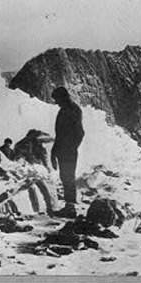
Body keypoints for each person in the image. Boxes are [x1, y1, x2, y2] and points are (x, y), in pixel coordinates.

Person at [50, 87, 85, 218]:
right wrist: (54, 152)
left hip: (68, 152)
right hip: (63, 151)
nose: (56, 102)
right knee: (65, 177)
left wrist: (71, 148)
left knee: (68, 177)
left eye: (57, 99)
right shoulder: (65, 110)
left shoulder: (73, 110)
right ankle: (69, 207)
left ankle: (70, 209)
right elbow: (59, 135)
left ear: (63, 97)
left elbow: (80, 133)